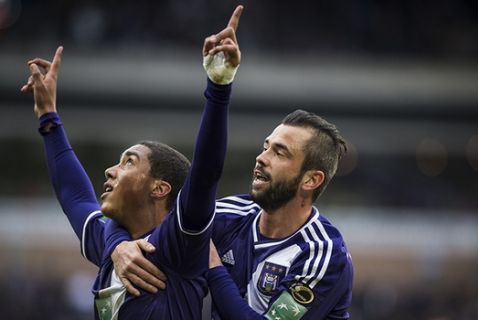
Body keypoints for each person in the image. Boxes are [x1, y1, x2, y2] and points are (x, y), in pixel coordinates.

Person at [20, 5, 243, 319]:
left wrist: (219, 88)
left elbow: (205, 173)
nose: (110, 170)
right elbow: (75, 195)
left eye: (128, 162)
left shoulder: (179, 243)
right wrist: (48, 117)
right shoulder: (111, 246)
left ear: (159, 188)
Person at [110, 111, 354, 318]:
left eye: (279, 153)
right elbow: (143, 217)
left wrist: (215, 268)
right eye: (265, 147)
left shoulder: (323, 255)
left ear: (311, 179)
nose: (261, 158)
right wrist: (119, 246)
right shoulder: (229, 215)